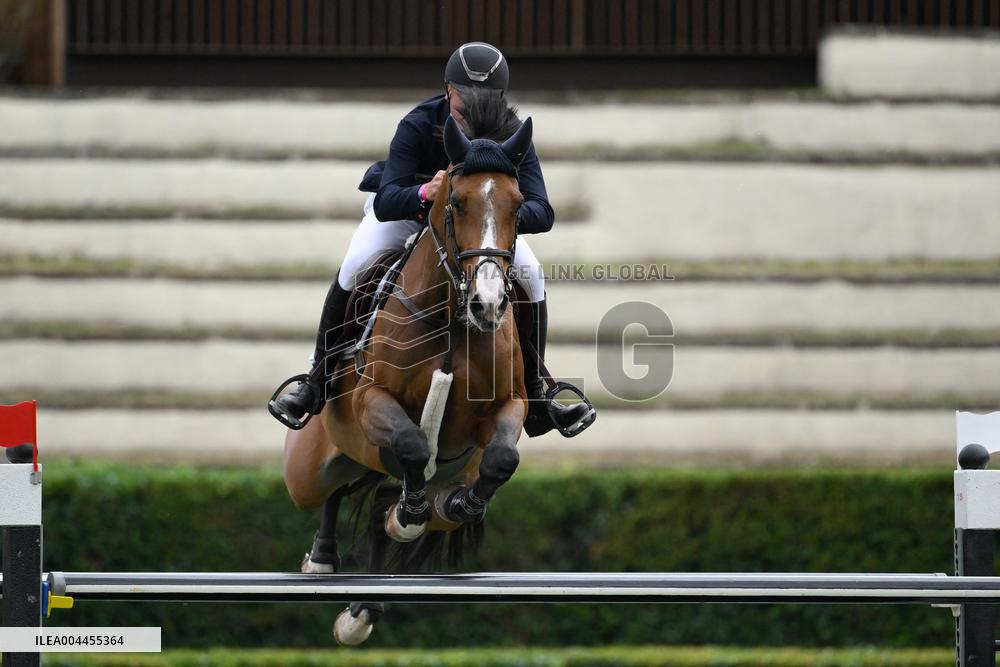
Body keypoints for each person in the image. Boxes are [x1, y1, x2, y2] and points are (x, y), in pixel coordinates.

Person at [269, 42, 592, 437]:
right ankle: (315, 378)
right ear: (448, 89)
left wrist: (489, 213)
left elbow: (543, 211)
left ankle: (539, 394)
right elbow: (388, 201)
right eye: (464, 94)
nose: (472, 103)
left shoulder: (513, 135)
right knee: (356, 264)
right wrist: (426, 194)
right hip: (410, 213)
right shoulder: (420, 123)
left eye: (484, 96)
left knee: (533, 274)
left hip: (476, 231)